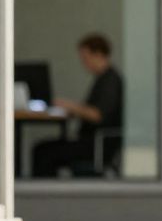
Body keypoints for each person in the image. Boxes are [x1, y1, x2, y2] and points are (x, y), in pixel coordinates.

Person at [31, 33, 124, 178]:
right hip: (91, 141)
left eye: (86, 58)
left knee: (43, 152)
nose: (84, 63)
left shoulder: (110, 81)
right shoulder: (103, 79)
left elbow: (98, 115)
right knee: (43, 149)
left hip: (97, 144)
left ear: (98, 54)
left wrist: (70, 106)